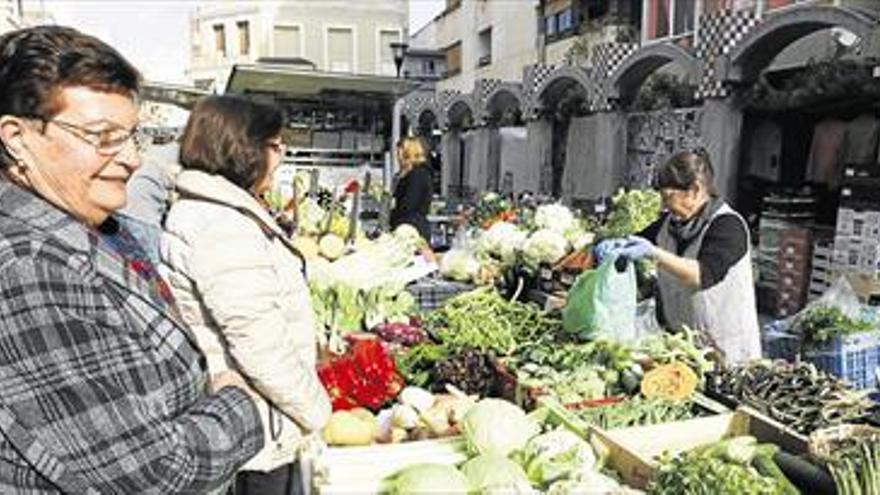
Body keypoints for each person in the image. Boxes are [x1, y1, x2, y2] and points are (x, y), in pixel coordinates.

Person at [0, 26, 262, 493]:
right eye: (102, 137)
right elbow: (157, 474)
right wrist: (237, 402)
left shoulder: (90, 225)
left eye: (131, 135)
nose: (133, 158)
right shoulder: (29, 266)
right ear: (17, 138)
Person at [160, 95, 332, 495]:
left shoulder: (215, 210)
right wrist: (317, 412)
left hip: (249, 418)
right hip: (258, 427)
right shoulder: (221, 224)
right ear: (244, 149)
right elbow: (259, 344)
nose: (281, 156)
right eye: (275, 145)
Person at [600, 150, 761, 364]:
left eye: (668, 197)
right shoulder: (669, 224)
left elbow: (701, 275)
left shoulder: (728, 226)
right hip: (683, 347)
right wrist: (615, 244)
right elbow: (636, 240)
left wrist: (653, 253)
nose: (664, 205)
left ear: (694, 190)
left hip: (727, 352)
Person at [390, 136, 433, 241]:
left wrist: (392, 214)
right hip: (410, 227)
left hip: (412, 230)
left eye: (402, 154)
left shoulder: (417, 175)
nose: (398, 158)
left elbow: (408, 204)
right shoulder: (413, 173)